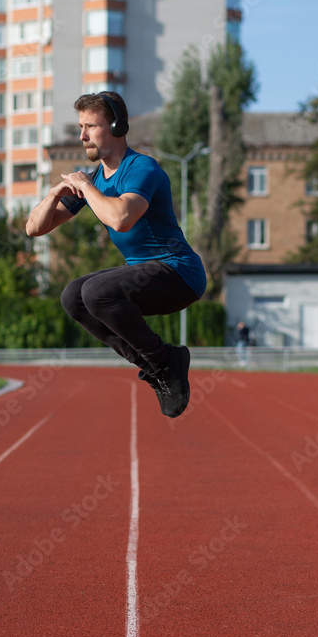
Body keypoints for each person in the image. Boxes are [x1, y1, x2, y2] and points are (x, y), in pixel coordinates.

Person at [25, 91, 207, 418]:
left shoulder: (142, 168)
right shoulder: (93, 180)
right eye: (80, 127)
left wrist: (88, 188)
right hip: (145, 273)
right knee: (73, 297)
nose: (82, 136)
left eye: (90, 127)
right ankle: (158, 367)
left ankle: (166, 361)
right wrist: (54, 193)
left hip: (179, 272)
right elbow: (34, 228)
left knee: (97, 292)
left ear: (117, 127)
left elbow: (121, 219)